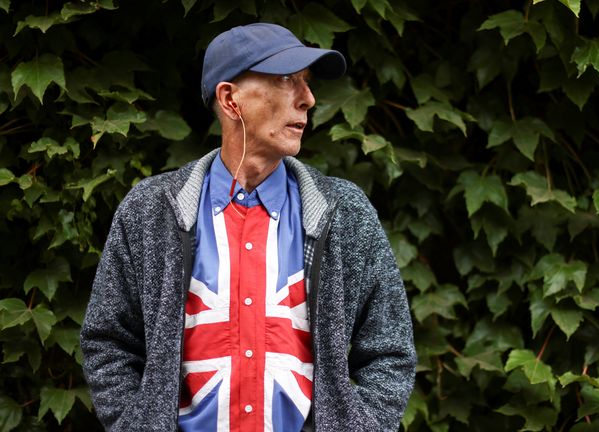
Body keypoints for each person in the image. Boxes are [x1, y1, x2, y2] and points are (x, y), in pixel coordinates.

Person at [80, 23, 416, 432]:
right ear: (230, 99)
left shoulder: (344, 212)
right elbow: (108, 341)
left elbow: (390, 350)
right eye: (286, 80)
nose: (307, 99)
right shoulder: (150, 212)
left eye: (306, 84)